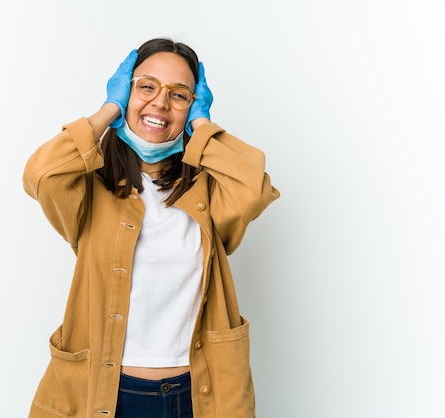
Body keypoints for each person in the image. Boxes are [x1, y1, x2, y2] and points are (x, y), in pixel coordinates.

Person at [22, 37, 280, 418]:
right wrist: (108, 110)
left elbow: (254, 187)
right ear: (126, 92)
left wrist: (202, 125)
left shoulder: (210, 188)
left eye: (179, 95)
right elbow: (41, 175)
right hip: (106, 395)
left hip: (200, 394)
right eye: (146, 87)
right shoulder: (89, 189)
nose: (160, 102)